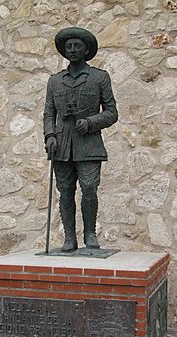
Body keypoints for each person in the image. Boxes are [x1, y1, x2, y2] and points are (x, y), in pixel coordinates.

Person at [43, 27, 118, 252]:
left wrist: (90, 122)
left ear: (86, 50)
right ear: (64, 52)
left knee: (88, 187)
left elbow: (112, 112)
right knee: (65, 190)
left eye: (77, 46)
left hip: (89, 143)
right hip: (62, 144)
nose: (73, 50)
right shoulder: (54, 81)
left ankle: (90, 233)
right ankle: (69, 237)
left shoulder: (99, 77)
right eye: (69, 47)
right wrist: (49, 136)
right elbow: (49, 113)